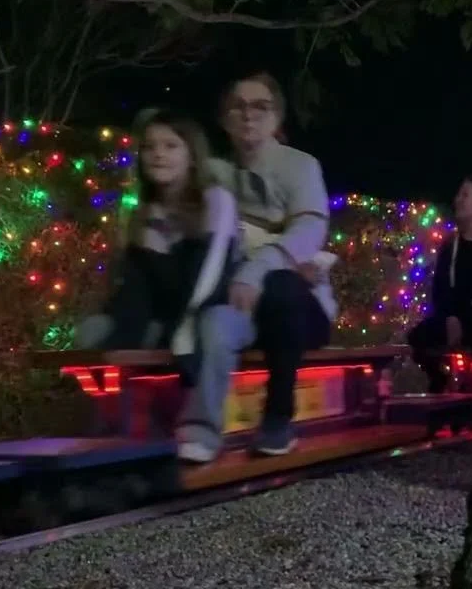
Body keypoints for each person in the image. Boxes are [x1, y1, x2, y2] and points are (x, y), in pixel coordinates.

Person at [176, 71, 335, 462]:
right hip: (245, 305)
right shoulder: (216, 173)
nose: (249, 115)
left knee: (282, 285)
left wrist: (257, 266)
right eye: (239, 106)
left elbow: (310, 227)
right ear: (225, 118)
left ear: (277, 117)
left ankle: (278, 421)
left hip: (300, 308)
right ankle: (203, 431)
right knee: (215, 324)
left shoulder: (301, 166)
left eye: (261, 106)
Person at [75, 109, 238, 383]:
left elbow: (207, 280)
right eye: (149, 147)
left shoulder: (216, 201)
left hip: (205, 311)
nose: (158, 154)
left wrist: (178, 333)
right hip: (161, 317)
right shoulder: (145, 213)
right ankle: (114, 415)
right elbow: (135, 291)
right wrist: (120, 340)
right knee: (93, 330)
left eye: (171, 146)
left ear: (192, 157)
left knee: (196, 335)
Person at [407, 176, 472, 403]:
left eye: (465, 195)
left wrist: (467, 314)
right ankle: (438, 378)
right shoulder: (451, 247)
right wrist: (451, 316)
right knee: (418, 337)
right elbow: (441, 290)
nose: (458, 200)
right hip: (454, 318)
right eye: (458, 195)